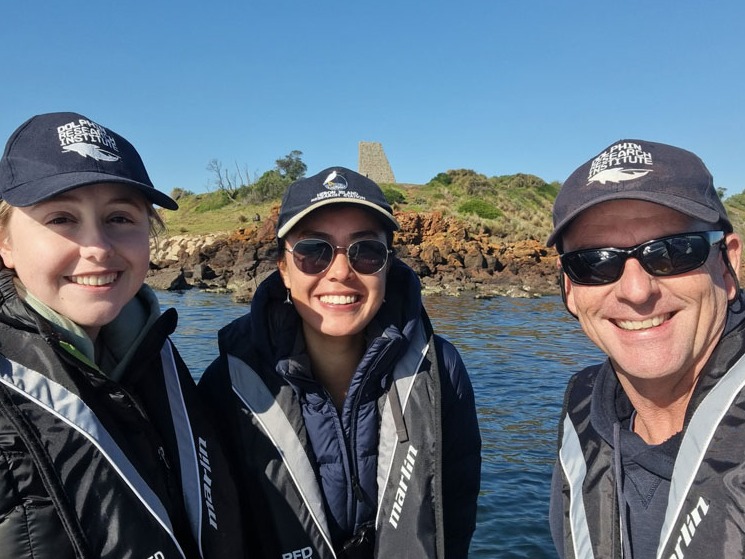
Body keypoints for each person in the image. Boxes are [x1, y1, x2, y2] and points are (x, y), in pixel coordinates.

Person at [198, 167, 481, 558]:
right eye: (313, 251)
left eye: (367, 251)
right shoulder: (226, 386)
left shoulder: (440, 370)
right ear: (283, 269)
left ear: (388, 265)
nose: (341, 272)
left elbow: (455, 517)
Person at [0, 112, 244, 558]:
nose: (97, 248)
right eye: (61, 218)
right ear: (6, 243)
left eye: (119, 217)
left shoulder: (153, 352)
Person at [547, 139, 745, 558]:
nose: (637, 291)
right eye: (595, 261)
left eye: (672, 252)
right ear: (569, 289)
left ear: (728, 266)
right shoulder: (585, 416)